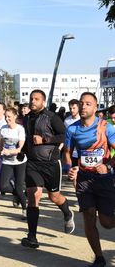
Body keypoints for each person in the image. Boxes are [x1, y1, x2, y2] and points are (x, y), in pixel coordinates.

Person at [65, 92, 115, 267]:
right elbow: (67, 153)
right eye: (81, 103)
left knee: (107, 223)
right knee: (88, 215)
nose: (83, 106)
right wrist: (70, 169)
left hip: (103, 179)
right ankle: (99, 257)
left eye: (88, 103)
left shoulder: (105, 127)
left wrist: (108, 166)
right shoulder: (72, 129)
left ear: (95, 107)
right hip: (84, 179)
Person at [21, 89, 75, 249]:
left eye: (36, 99)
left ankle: (67, 212)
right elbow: (29, 139)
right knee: (33, 195)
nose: (32, 101)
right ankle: (32, 237)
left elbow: (65, 136)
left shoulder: (52, 117)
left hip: (51, 163)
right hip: (32, 163)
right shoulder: (27, 118)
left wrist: (45, 139)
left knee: (54, 197)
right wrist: (22, 151)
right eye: (31, 98)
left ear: (43, 101)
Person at [0, 107, 27, 219]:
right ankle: (18, 194)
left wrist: (9, 151)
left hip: (19, 161)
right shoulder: (3, 129)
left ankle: (24, 209)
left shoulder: (20, 129)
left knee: (19, 188)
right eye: (6, 116)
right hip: (7, 161)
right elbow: (0, 145)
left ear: (15, 116)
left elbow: (20, 148)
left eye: (9, 116)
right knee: (3, 187)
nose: (7, 119)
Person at [64, 99, 80, 167]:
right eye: (70, 108)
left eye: (74, 108)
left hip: (81, 151)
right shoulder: (66, 121)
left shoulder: (82, 119)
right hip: (71, 152)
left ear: (78, 108)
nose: (72, 110)